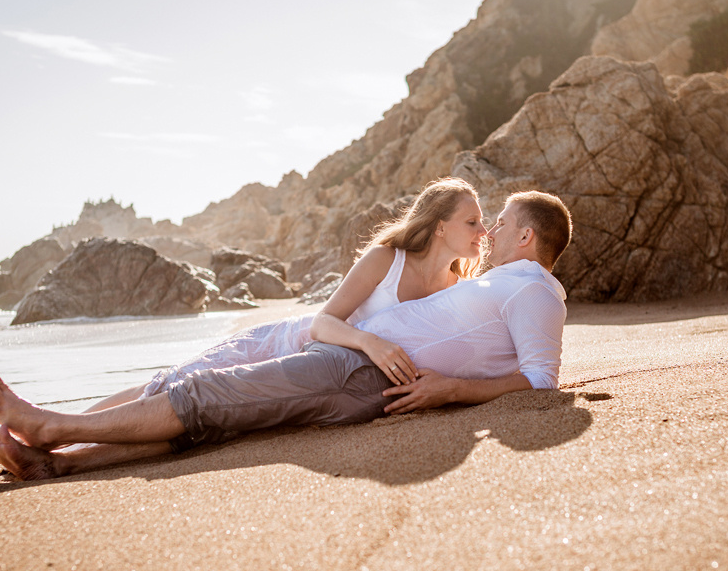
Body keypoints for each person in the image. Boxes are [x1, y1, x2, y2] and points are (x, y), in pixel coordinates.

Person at [0, 191, 573, 481]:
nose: (489, 228)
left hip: (355, 374)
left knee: (206, 401)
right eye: (479, 221)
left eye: (500, 222)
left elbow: (540, 380)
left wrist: (446, 390)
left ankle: (54, 430)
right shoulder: (482, 279)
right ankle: (57, 460)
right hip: (326, 348)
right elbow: (341, 319)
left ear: (525, 238)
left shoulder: (530, 289)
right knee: (200, 404)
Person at [85, 176, 487, 418]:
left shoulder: (456, 289)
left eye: (483, 223)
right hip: (287, 346)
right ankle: (61, 427)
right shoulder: (386, 259)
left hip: (329, 377)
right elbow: (323, 322)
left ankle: (66, 439)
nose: (482, 232)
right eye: (472, 222)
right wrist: (370, 342)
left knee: (197, 406)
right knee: (175, 385)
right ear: (438, 227)